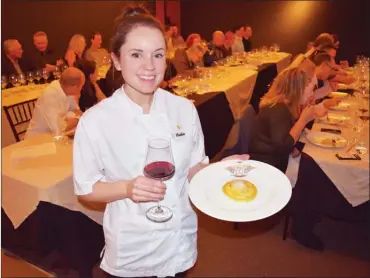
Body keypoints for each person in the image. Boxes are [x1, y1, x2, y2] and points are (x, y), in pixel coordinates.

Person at [73, 6, 247, 278]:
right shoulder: (96, 121)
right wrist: (128, 188)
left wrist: (216, 172)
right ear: (116, 60)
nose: (149, 66)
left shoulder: (184, 109)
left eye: (157, 55)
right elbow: (86, 190)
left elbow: (192, 169)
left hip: (179, 240)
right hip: (133, 250)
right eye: (136, 55)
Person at [248, 67, 317, 173]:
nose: (311, 93)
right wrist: (303, 120)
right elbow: (284, 147)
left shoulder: (287, 105)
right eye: (308, 87)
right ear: (297, 89)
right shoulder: (278, 109)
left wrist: (305, 116)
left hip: (274, 160)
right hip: (266, 165)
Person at [25, 67, 84, 138]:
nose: (82, 89)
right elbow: (58, 129)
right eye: (81, 86)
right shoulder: (50, 95)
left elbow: (76, 111)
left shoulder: (66, 89)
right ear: (74, 87)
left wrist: (75, 119)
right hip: (38, 139)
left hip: (54, 136)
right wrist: (77, 120)